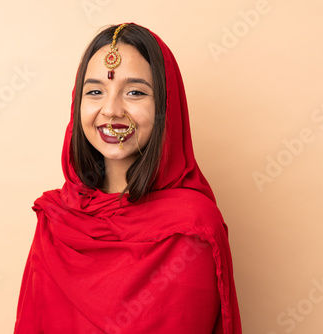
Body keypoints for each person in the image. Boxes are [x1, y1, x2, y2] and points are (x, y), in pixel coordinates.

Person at [13, 22, 242, 333]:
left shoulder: (192, 227)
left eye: (134, 92)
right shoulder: (57, 219)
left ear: (165, 105)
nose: (111, 110)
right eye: (95, 91)